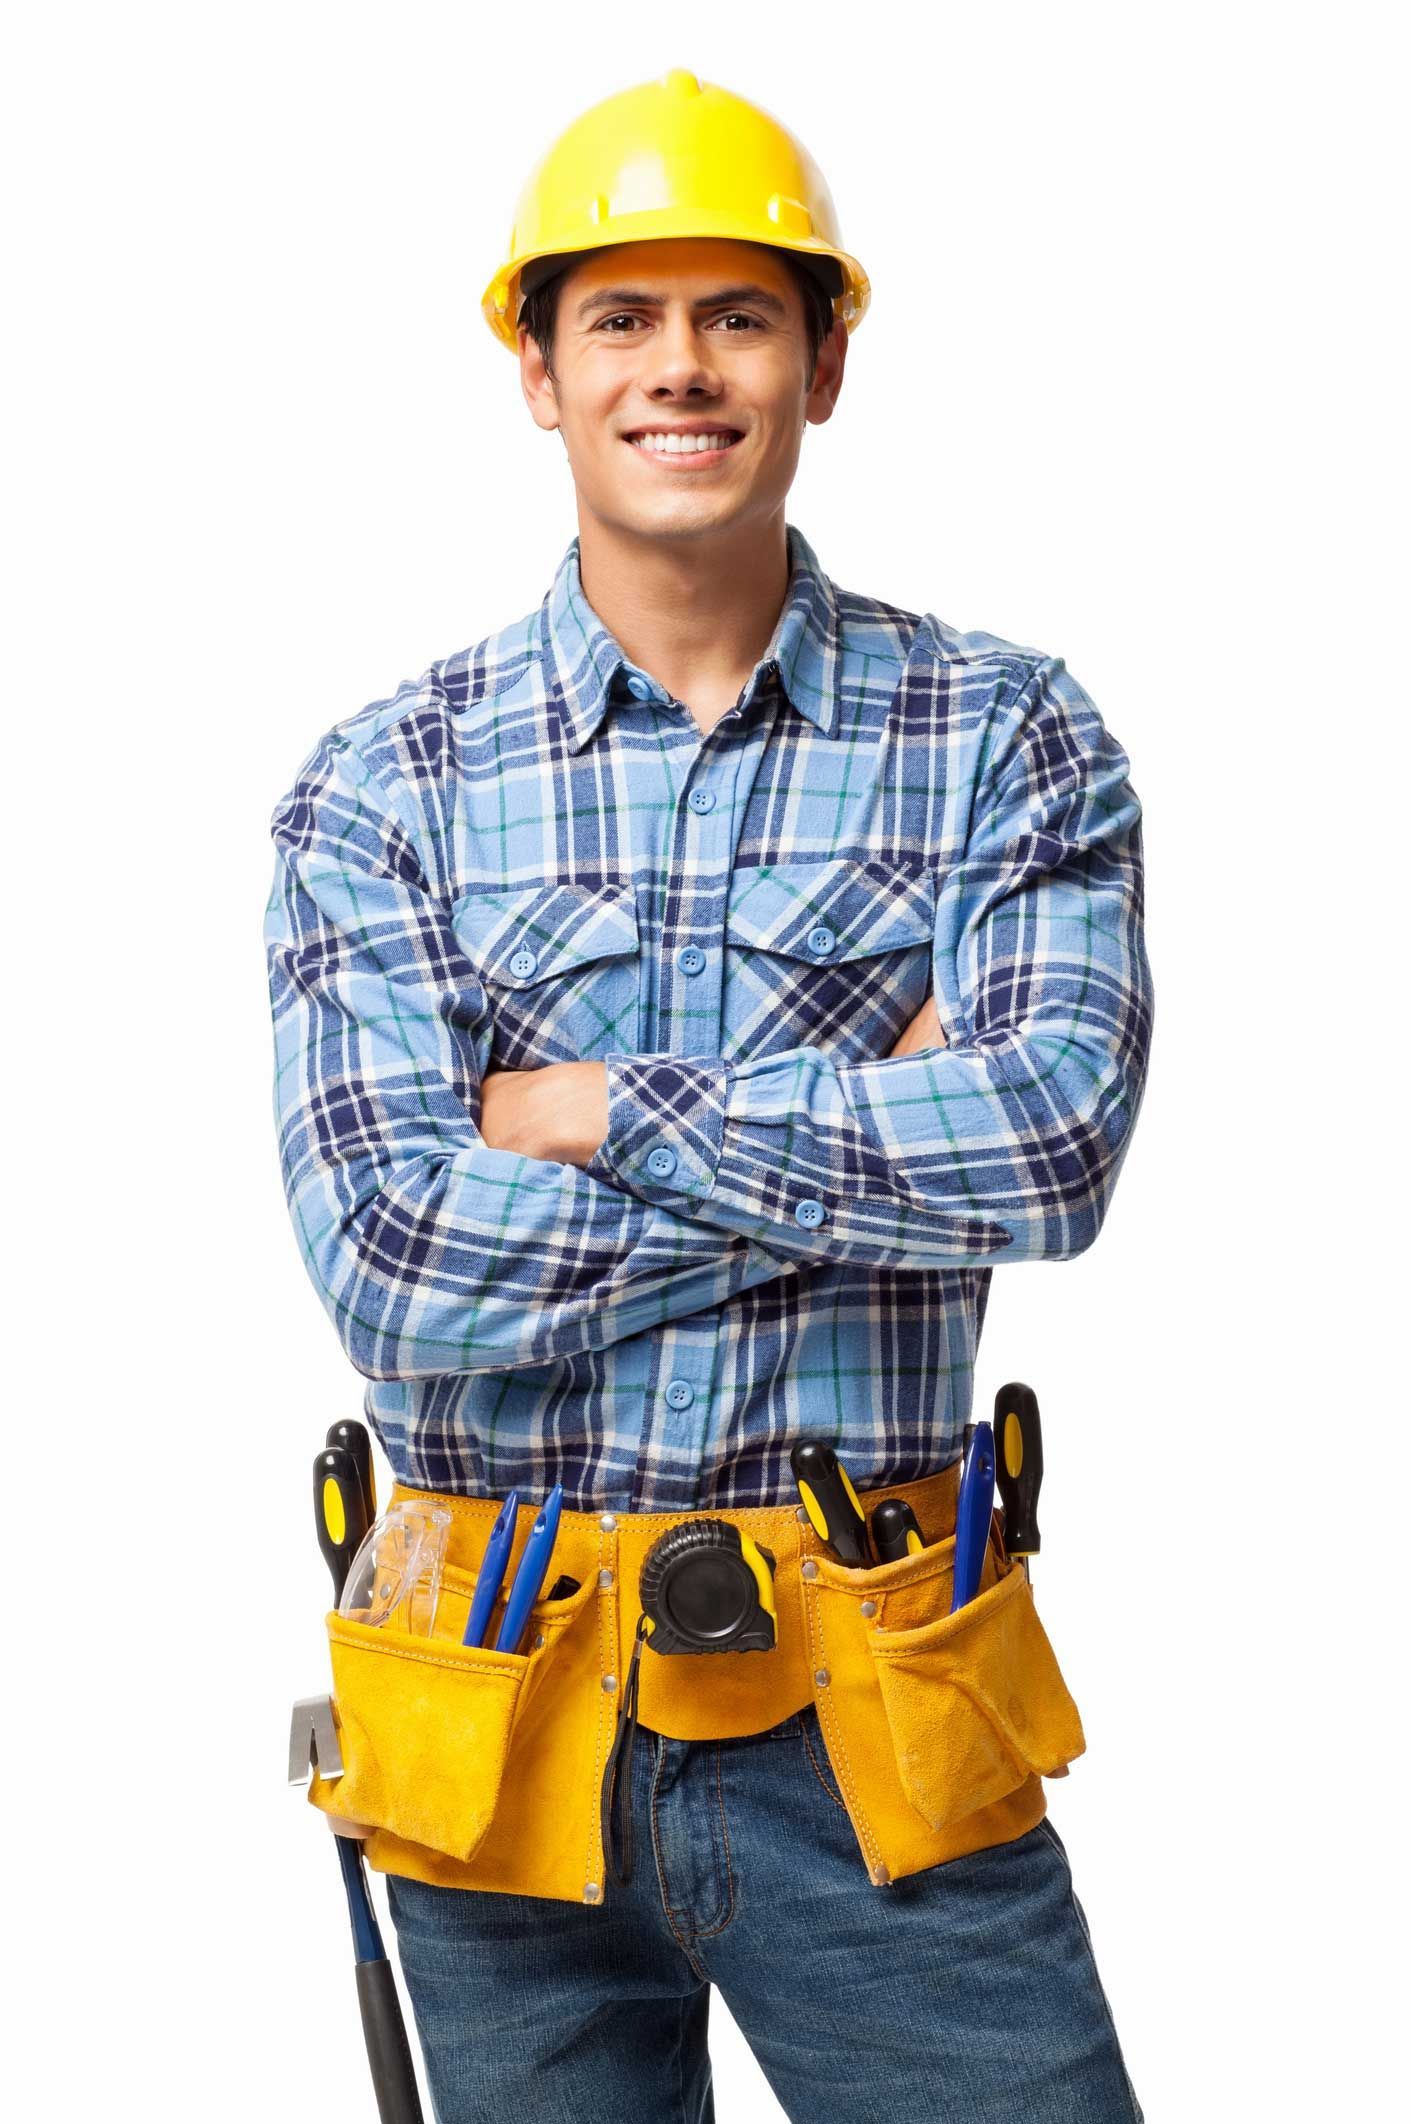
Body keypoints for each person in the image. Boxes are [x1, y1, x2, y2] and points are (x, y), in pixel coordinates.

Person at [266, 68, 1152, 2124]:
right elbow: (397, 1271)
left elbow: (1047, 1143)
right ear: (539, 372)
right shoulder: (381, 783)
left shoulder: (1002, 735)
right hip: (496, 1721)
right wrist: (861, 1121)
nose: (683, 369)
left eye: (738, 317)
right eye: (624, 321)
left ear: (823, 361)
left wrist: (586, 1111)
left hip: (874, 1706)